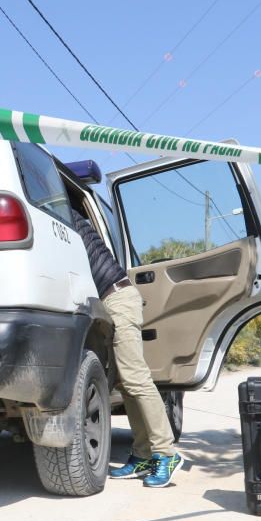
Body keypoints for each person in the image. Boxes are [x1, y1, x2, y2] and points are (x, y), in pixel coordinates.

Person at [71, 209, 184, 488]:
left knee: (136, 378)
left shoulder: (68, 219)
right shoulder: (73, 218)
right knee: (126, 382)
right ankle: (143, 454)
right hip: (114, 299)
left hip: (118, 298)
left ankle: (166, 453)